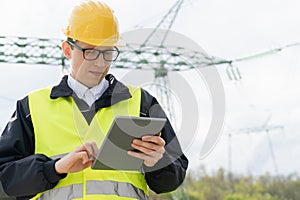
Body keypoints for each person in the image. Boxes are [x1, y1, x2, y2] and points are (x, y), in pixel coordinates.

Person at [0, 0, 188, 199]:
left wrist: (157, 162)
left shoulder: (142, 103)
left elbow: (174, 179)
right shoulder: (31, 107)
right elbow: (5, 179)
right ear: (67, 50)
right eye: (90, 51)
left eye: (108, 52)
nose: (100, 62)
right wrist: (53, 169)